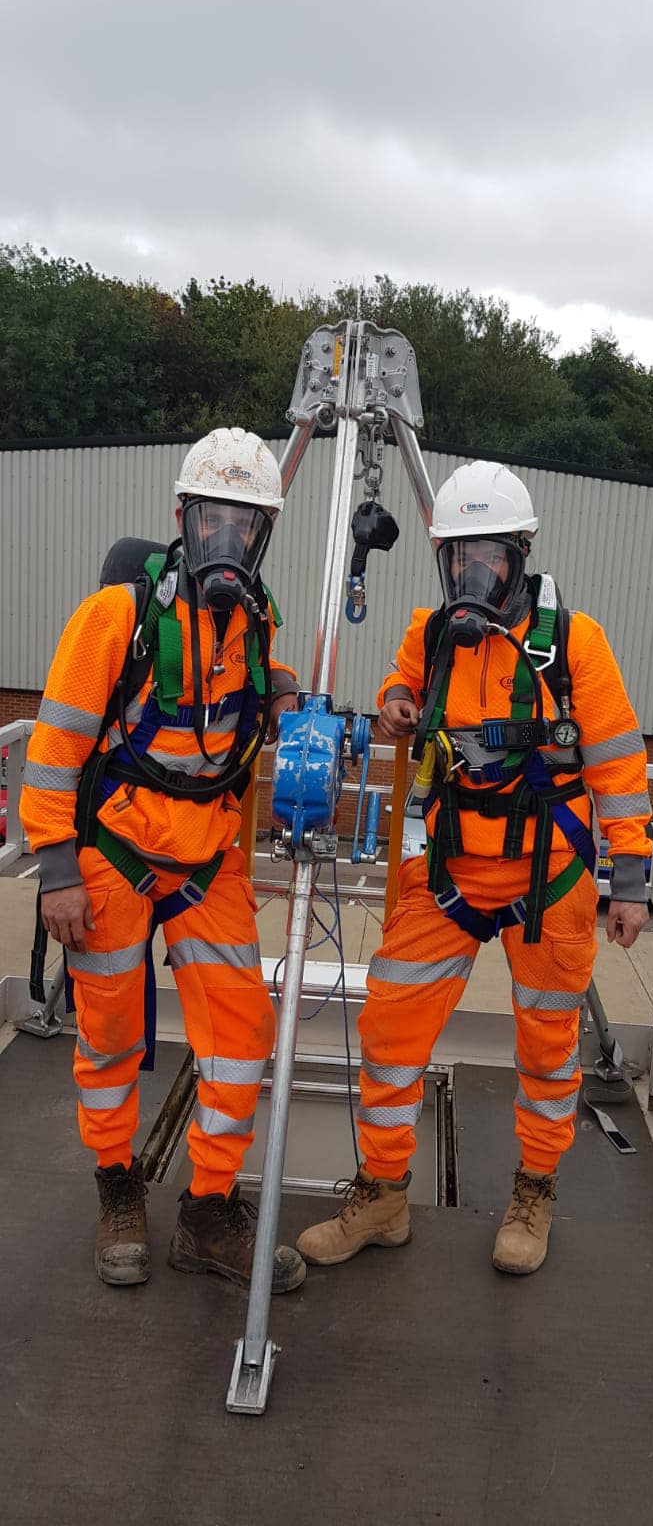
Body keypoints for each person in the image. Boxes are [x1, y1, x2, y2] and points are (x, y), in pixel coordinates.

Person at [297, 460, 651, 1276]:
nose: (472, 573)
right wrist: (393, 701)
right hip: (449, 872)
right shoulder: (429, 635)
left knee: (547, 1044)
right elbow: (401, 686)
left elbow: (620, 767)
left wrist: (626, 882)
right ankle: (383, 1194)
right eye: (458, 557)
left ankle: (534, 1191)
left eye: (488, 556)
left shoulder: (572, 644)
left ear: (519, 556)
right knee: (387, 1028)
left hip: (547, 877)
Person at [20, 428, 305, 1294]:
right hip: (111, 860)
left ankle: (209, 1210)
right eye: (212, 519)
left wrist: (285, 687)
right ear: (182, 518)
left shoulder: (252, 621)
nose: (229, 540)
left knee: (241, 1032)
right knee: (109, 1040)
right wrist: (58, 869)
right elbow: (52, 749)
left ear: (261, 535)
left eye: (245, 525)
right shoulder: (116, 618)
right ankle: (118, 1189)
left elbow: (236, 693)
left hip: (208, 862)